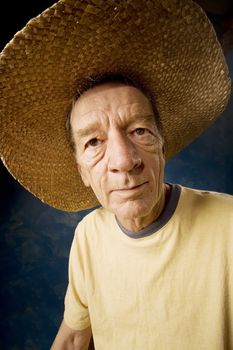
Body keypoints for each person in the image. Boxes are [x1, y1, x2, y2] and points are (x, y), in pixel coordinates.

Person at [0, 0, 232, 349]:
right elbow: (75, 336)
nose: (124, 161)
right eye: (94, 142)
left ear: (162, 145)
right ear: (82, 171)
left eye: (139, 130)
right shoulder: (88, 238)